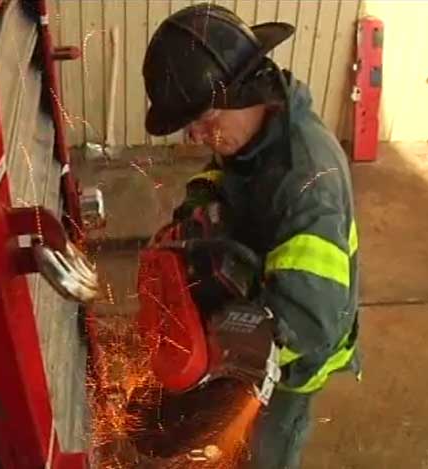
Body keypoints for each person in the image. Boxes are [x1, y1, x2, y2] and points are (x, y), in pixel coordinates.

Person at [142, 4, 361, 469]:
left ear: (243, 91)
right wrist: (196, 210)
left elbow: (309, 320)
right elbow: (223, 177)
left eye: (203, 120)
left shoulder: (305, 183)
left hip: (295, 358)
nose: (198, 135)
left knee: (263, 450)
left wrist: (225, 351)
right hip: (269, 299)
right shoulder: (251, 135)